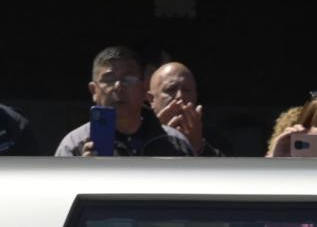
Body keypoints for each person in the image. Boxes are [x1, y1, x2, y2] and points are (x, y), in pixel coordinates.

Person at [55, 46, 194, 157]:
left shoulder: (176, 143)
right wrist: (81, 175)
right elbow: (60, 192)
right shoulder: (73, 146)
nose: (118, 87)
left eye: (128, 79)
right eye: (109, 79)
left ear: (143, 88)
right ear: (93, 91)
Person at [148, 61, 227, 156]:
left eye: (187, 90)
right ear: (151, 99)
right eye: (171, 89)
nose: (180, 96)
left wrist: (198, 147)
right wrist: (156, 137)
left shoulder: (216, 138)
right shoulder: (136, 133)